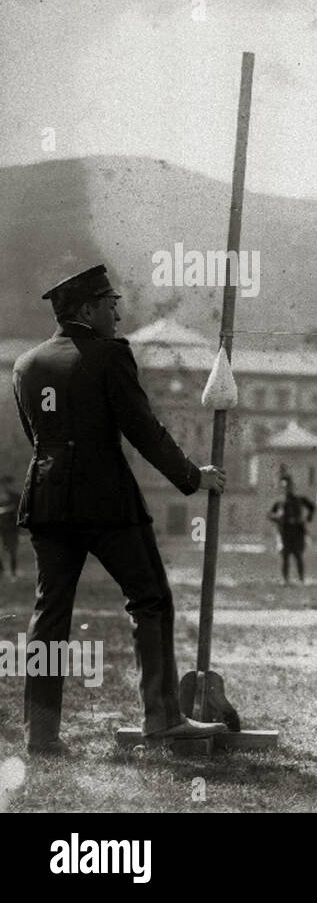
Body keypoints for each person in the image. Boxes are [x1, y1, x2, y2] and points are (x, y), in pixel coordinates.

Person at [12, 265, 228, 753]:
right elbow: (143, 429)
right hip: (105, 501)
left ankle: (40, 735)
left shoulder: (26, 364)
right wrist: (193, 476)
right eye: (110, 302)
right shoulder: (109, 356)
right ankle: (161, 719)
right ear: (86, 309)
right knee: (150, 599)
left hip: (47, 500)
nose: (117, 310)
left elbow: (37, 438)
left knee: (49, 613)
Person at [268, 474, 315, 585]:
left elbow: (312, 507)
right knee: (285, 556)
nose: (287, 489)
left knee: (298, 555)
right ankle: (285, 579)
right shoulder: (279, 502)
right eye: (284, 486)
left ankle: (301, 579)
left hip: (298, 531)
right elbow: (270, 515)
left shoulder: (299, 499)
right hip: (284, 531)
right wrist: (277, 517)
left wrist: (307, 518)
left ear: (292, 487)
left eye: (289, 486)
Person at [0, 473, 21, 580]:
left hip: (11, 529)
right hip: (1, 528)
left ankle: (13, 572)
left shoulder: (16, 497)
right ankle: (2, 571)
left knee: (12, 550)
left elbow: (19, 513)